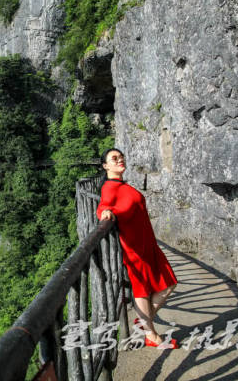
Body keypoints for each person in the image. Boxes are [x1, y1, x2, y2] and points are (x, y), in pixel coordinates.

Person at [96, 148, 179, 349]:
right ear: (105, 166)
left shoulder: (121, 185)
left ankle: (144, 322)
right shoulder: (110, 187)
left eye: (121, 156)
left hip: (148, 244)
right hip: (134, 248)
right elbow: (102, 207)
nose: (119, 160)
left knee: (168, 284)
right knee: (142, 290)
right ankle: (151, 334)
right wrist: (104, 212)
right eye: (114, 158)